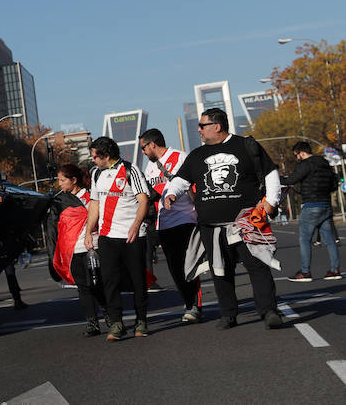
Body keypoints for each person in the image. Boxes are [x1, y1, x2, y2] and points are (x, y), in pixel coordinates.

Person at [164, 108, 284, 330]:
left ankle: (269, 311)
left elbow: (270, 173)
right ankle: (228, 314)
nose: (199, 130)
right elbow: (181, 179)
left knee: (257, 265)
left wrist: (271, 202)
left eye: (202, 125)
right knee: (220, 270)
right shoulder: (197, 155)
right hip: (211, 225)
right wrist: (171, 193)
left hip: (247, 221)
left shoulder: (246, 146)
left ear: (216, 126)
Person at [84, 136, 151, 341]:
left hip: (132, 236)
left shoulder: (131, 170)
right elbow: (94, 204)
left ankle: (141, 320)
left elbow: (143, 200)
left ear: (106, 155)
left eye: (95, 156)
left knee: (137, 279)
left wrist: (136, 225)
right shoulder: (96, 174)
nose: (92, 159)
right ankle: (117, 323)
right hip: (107, 236)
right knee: (109, 281)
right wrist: (89, 231)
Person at [139, 128, 203, 323]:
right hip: (163, 223)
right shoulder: (149, 168)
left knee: (190, 264)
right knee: (175, 268)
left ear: (152, 144)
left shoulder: (181, 157)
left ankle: (195, 306)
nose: (142, 152)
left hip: (186, 218)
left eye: (143, 147)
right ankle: (188, 302)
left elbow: (195, 184)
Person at [52, 163, 108, 336]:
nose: (60, 184)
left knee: (97, 284)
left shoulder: (91, 196)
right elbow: (56, 227)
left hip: (93, 246)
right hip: (73, 249)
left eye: (62, 180)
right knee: (83, 288)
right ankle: (92, 324)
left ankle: (110, 317)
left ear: (73, 180)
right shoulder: (59, 201)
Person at [282, 141, 341, 282]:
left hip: (311, 205)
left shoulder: (305, 164)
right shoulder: (325, 164)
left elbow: (292, 179)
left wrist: (278, 179)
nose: (297, 158)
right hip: (326, 205)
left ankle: (305, 272)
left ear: (302, 152)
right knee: (330, 240)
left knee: (304, 239)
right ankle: (335, 270)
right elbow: (334, 184)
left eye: (297, 155)